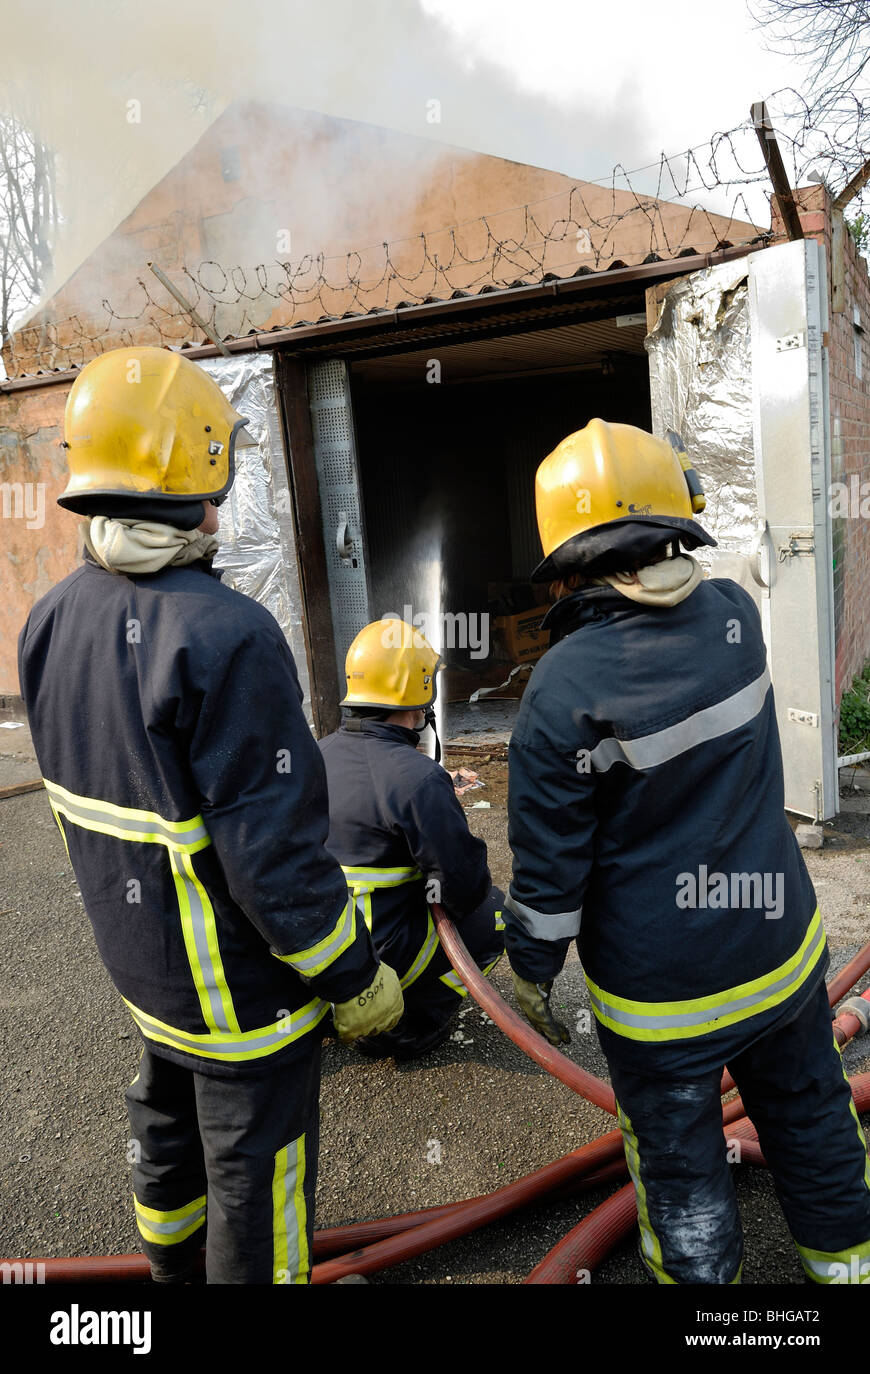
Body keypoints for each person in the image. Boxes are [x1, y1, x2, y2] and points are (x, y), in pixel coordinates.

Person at [18, 346, 403, 1285]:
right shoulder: (226, 633)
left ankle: (168, 1276)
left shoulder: (49, 618)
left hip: (145, 981)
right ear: (197, 480)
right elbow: (272, 859)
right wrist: (352, 976)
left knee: (166, 1131)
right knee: (256, 1182)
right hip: (242, 1006)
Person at [504, 417, 870, 1284]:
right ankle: (849, 1266)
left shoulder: (562, 689)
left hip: (663, 997)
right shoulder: (735, 612)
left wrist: (529, 969)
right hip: (779, 952)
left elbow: (551, 870)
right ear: (679, 523)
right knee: (812, 1113)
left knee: (677, 1160)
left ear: (569, 560)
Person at [318, 618, 505, 1059]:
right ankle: (409, 1025)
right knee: (497, 915)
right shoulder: (417, 779)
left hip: (319, 951)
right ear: (421, 692)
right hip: (379, 956)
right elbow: (464, 882)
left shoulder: (314, 755)